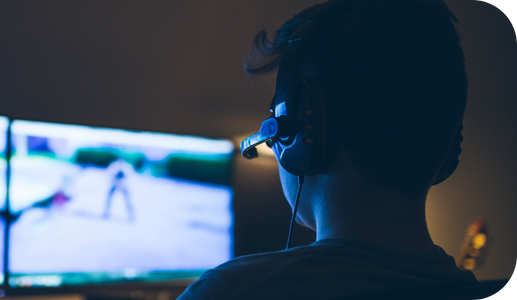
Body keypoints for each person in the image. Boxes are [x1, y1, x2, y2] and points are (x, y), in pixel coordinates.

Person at [178, 0, 476, 299]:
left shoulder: (231, 292)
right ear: (448, 146)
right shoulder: (472, 290)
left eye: (276, 115)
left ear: (303, 129)